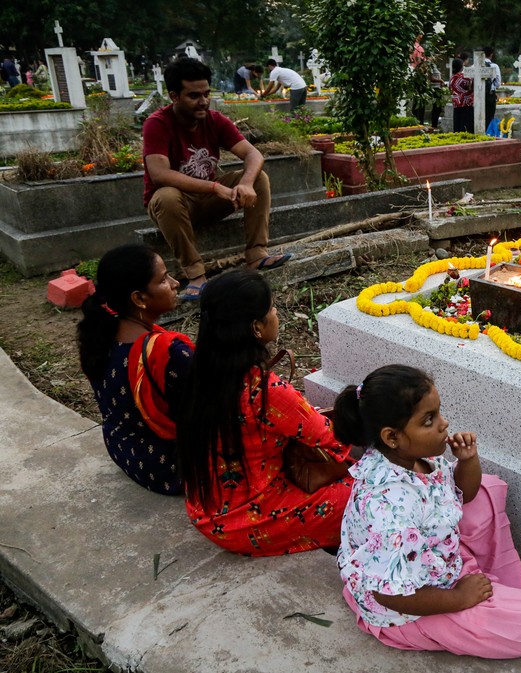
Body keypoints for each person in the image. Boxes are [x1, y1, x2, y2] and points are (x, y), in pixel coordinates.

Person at [332, 365, 521, 657]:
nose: (444, 424)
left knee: (489, 489)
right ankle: (468, 599)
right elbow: (389, 594)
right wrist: (459, 599)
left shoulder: (413, 456)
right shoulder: (390, 511)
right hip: (402, 607)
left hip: (422, 560)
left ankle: (473, 576)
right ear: (392, 437)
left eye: (439, 413)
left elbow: (466, 492)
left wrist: (467, 461)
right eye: (429, 420)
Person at [175, 270, 354, 555]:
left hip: (204, 511)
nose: (276, 314)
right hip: (250, 522)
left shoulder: (203, 372)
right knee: (374, 492)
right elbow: (330, 437)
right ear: (256, 327)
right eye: (271, 307)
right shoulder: (265, 391)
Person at [143, 57, 290, 303]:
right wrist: (214, 187)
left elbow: (252, 154)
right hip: (174, 205)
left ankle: (256, 254)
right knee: (167, 196)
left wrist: (245, 182)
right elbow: (160, 175)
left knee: (258, 178)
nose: (203, 101)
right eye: (193, 96)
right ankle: (196, 274)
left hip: (209, 200)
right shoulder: (157, 124)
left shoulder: (214, 120)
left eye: (206, 93)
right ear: (174, 96)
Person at [76, 244, 193, 495]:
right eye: (163, 279)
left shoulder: (98, 336)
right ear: (139, 298)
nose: (175, 284)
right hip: (173, 467)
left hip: (123, 450)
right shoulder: (168, 352)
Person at [449, 57, 474, 133]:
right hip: (466, 104)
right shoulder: (465, 77)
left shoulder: (452, 78)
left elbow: (451, 89)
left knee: (457, 125)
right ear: (461, 66)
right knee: (466, 125)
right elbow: (471, 88)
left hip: (456, 104)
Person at [483, 47, 501, 132]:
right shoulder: (494, 66)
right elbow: (497, 83)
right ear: (491, 54)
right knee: (489, 116)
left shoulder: (475, 65)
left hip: (478, 95)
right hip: (490, 95)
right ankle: (488, 132)